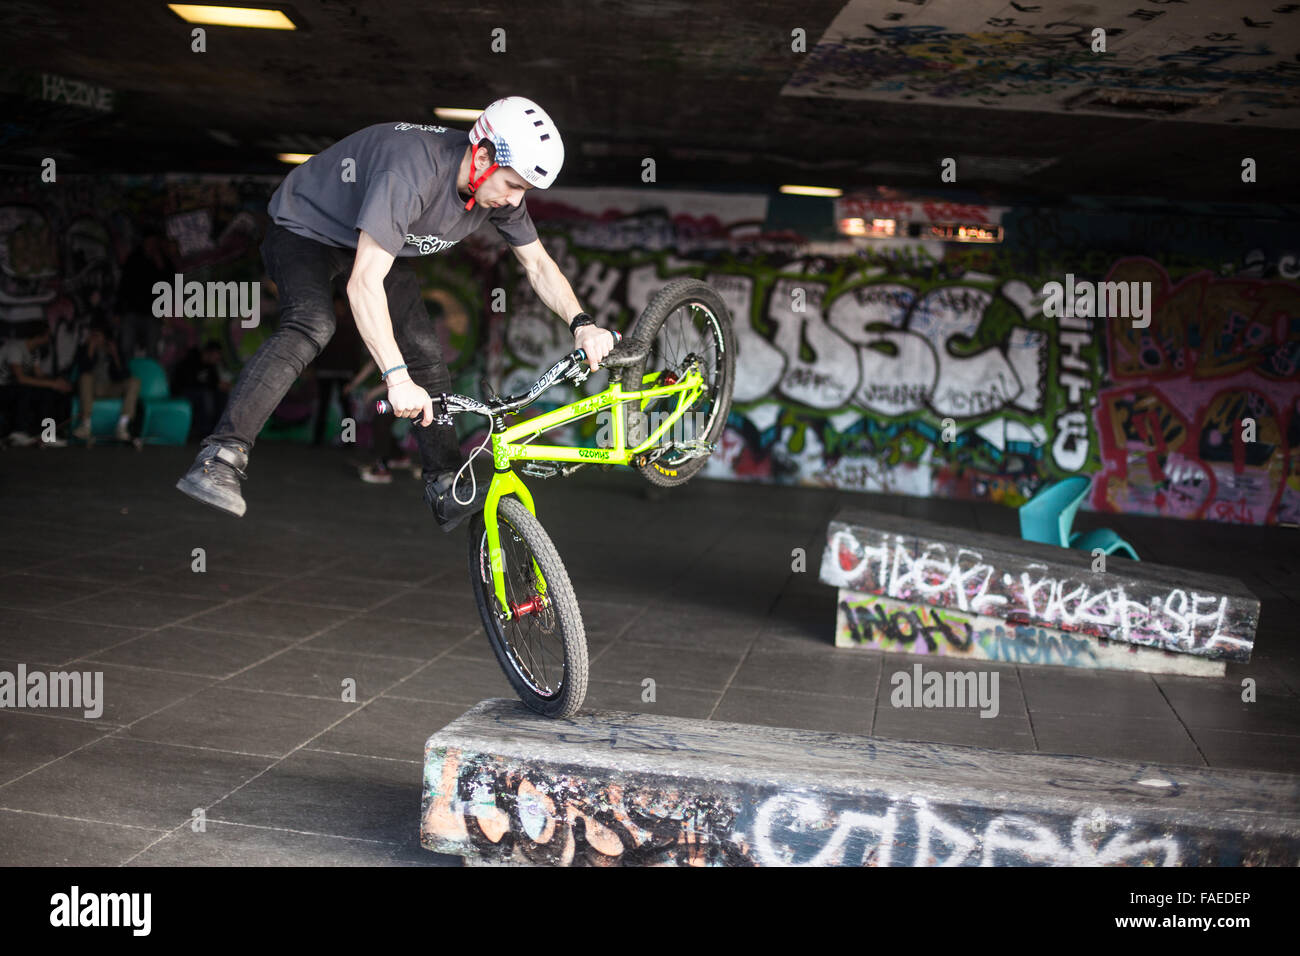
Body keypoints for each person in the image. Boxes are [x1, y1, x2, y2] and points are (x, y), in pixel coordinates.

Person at [175, 96, 616, 529]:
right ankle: (220, 458)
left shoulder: (498, 193)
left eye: (523, 189)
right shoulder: (413, 172)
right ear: (482, 157)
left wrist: (583, 324)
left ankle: (445, 485)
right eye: (513, 185)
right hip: (305, 229)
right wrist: (396, 378)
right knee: (312, 323)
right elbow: (363, 284)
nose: (514, 199)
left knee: (426, 348)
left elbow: (538, 264)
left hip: (369, 240)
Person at [1, 329, 72, 446]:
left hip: (19, 387)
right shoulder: (15, 348)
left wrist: (57, 382)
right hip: (4, 387)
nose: (49, 340)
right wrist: (52, 384)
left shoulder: (34, 352)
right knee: (26, 390)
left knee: (48, 392)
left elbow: (39, 375)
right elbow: (20, 378)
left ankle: (47, 434)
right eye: (48, 336)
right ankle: (19, 432)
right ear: (39, 336)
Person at [71, 322, 141, 442]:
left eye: (98, 335)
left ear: (105, 337)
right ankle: (85, 425)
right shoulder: (84, 349)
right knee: (86, 377)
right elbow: (82, 370)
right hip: (92, 389)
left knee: (134, 382)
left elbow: (124, 375)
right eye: (92, 335)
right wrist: (90, 350)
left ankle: (122, 426)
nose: (95, 338)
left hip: (111, 387)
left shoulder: (114, 350)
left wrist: (115, 356)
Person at [116, 232, 171, 360]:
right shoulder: (134, 259)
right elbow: (124, 284)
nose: (151, 246)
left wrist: (161, 266)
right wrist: (118, 311)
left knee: (152, 349)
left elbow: (171, 284)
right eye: (149, 242)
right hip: (132, 311)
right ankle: (128, 375)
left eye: (154, 243)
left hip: (152, 313)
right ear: (144, 243)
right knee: (126, 346)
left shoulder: (161, 261)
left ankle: (149, 375)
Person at [172, 339, 232, 439]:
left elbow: (214, 382)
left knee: (222, 394)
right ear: (209, 352)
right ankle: (205, 431)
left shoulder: (211, 366)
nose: (218, 358)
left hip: (203, 393)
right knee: (205, 395)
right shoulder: (190, 360)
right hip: (184, 392)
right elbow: (187, 382)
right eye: (217, 354)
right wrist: (212, 385)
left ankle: (219, 429)